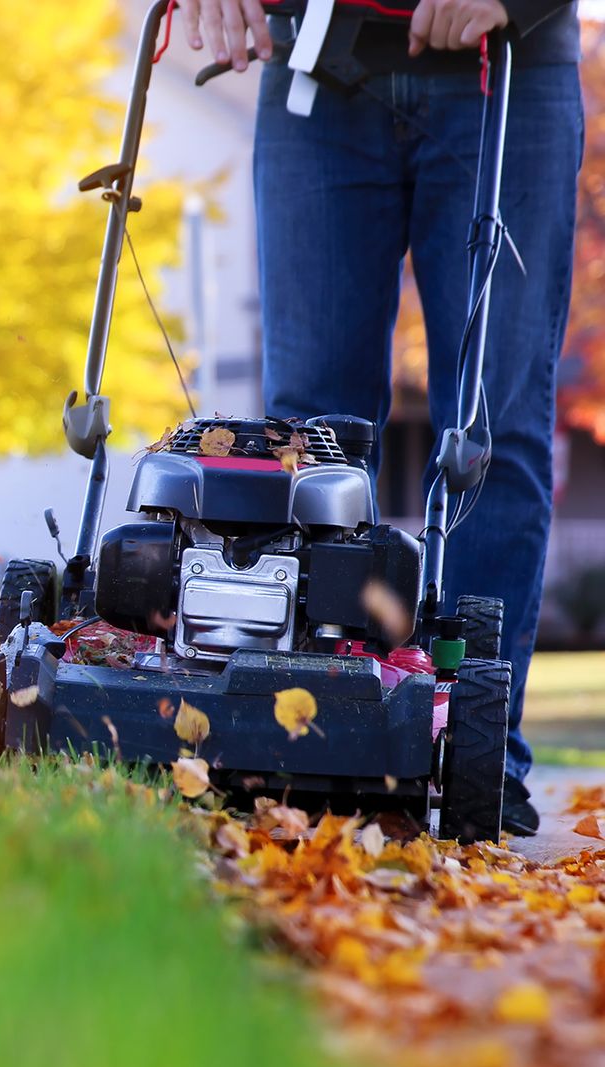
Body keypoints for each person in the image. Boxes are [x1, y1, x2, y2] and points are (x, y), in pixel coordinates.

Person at [183, 0, 582, 835]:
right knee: (308, 440)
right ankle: (305, 734)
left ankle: (478, 747)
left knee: (489, 428)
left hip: (503, 67)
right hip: (318, 75)